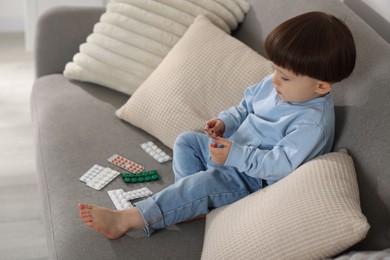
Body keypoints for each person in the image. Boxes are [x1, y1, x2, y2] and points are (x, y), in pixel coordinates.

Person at [78, 11, 356, 239]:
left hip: (250, 179)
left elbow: (281, 164)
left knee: (205, 183)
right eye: (274, 69)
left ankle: (132, 218)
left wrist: (235, 155)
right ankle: (191, 201)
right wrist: (225, 121)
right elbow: (245, 106)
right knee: (187, 140)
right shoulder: (275, 87)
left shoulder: (312, 123)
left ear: (320, 86)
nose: (274, 80)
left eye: (284, 76)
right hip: (229, 152)